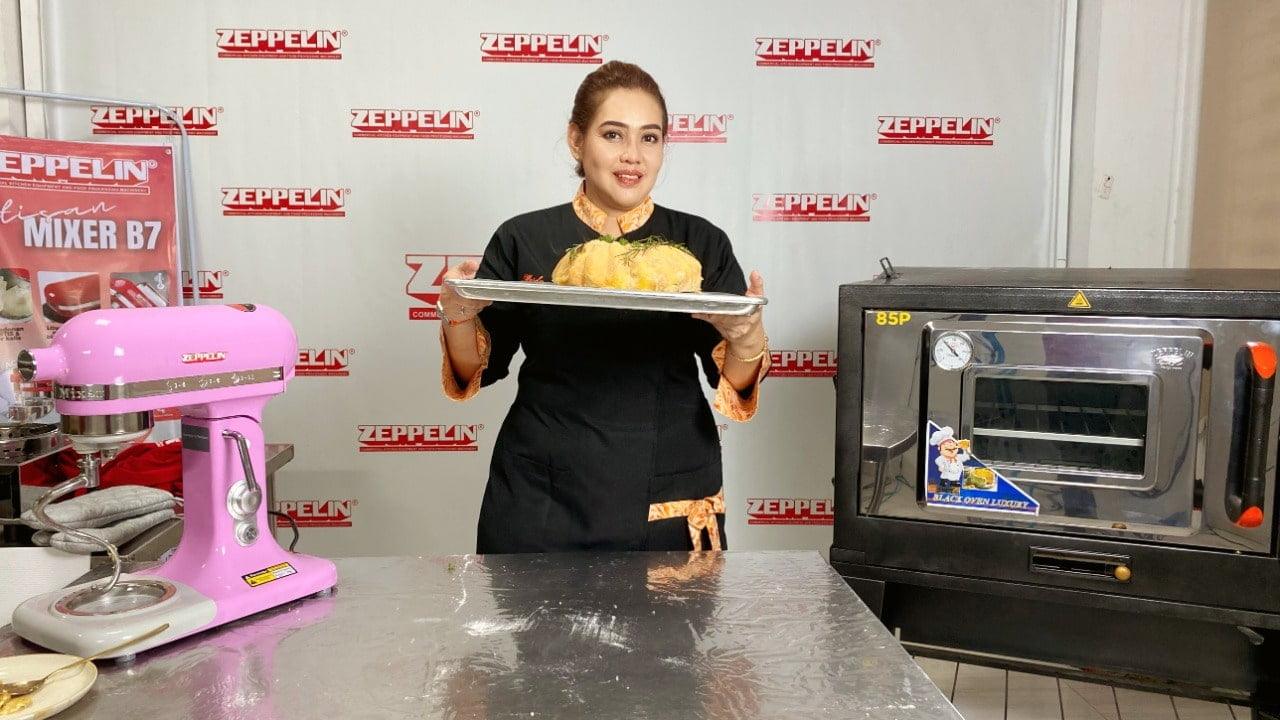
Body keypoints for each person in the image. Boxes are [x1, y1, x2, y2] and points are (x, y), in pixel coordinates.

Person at [436, 61, 769, 554]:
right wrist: (458, 315)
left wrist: (746, 340)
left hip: (669, 486)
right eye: (613, 135)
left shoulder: (700, 242)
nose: (632, 155)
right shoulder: (524, 237)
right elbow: (474, 370)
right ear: (577, 139)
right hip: (542, 494)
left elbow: (734, 383)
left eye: (649, 138)